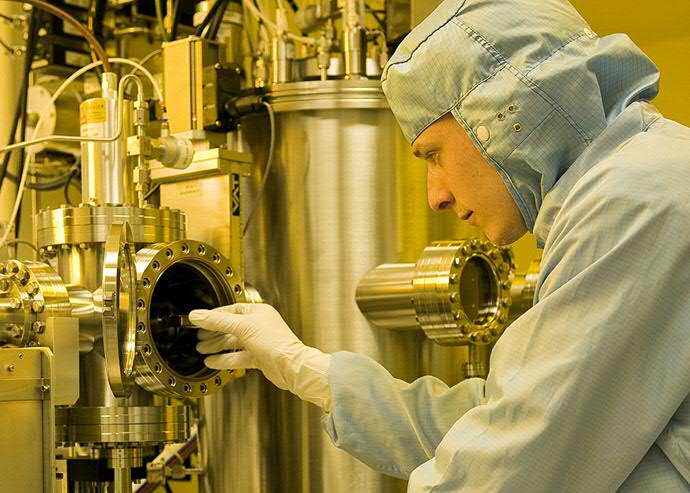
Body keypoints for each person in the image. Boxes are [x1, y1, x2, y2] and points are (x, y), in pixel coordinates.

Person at [189, 0, 690, 490]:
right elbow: (501, 420)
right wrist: (306, 369)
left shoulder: (636, 200)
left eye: (433, 155)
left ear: (502, 114)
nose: (436, 197)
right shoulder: (631, 181)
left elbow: (510, 466)